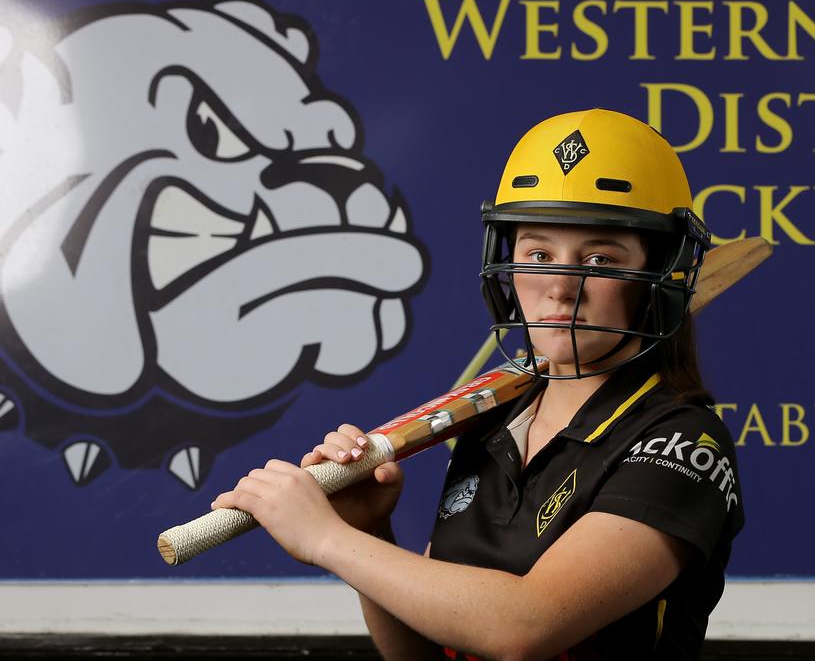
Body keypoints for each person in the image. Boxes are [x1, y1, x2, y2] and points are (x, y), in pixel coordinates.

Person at [212, 109, 744, 660]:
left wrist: (327, 539)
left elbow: (523, 626)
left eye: (599, 259)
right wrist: (369, 531)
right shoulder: (492, 422)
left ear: (662, 275)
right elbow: (425, 653)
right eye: (538, 254)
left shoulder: (681, 442)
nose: (560, 286)